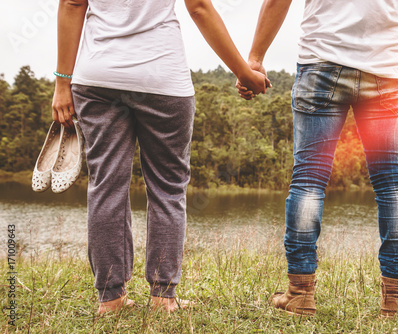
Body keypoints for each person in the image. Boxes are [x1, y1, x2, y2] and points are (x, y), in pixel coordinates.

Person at [52, 0, 269, 314]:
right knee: (168, 189)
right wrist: (244, 73)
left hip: (99, 78)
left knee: (106, 186)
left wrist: (62, 82)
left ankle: (111, 299)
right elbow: (199, 8)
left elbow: (72, 4)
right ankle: (163, 298)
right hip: (162, 78)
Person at [238, 0, 398, 317]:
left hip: (322, 62)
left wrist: (255, 58)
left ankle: (301, 295)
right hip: (387, 67)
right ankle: (396, 299)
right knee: (393, 184)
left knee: (308, 180)